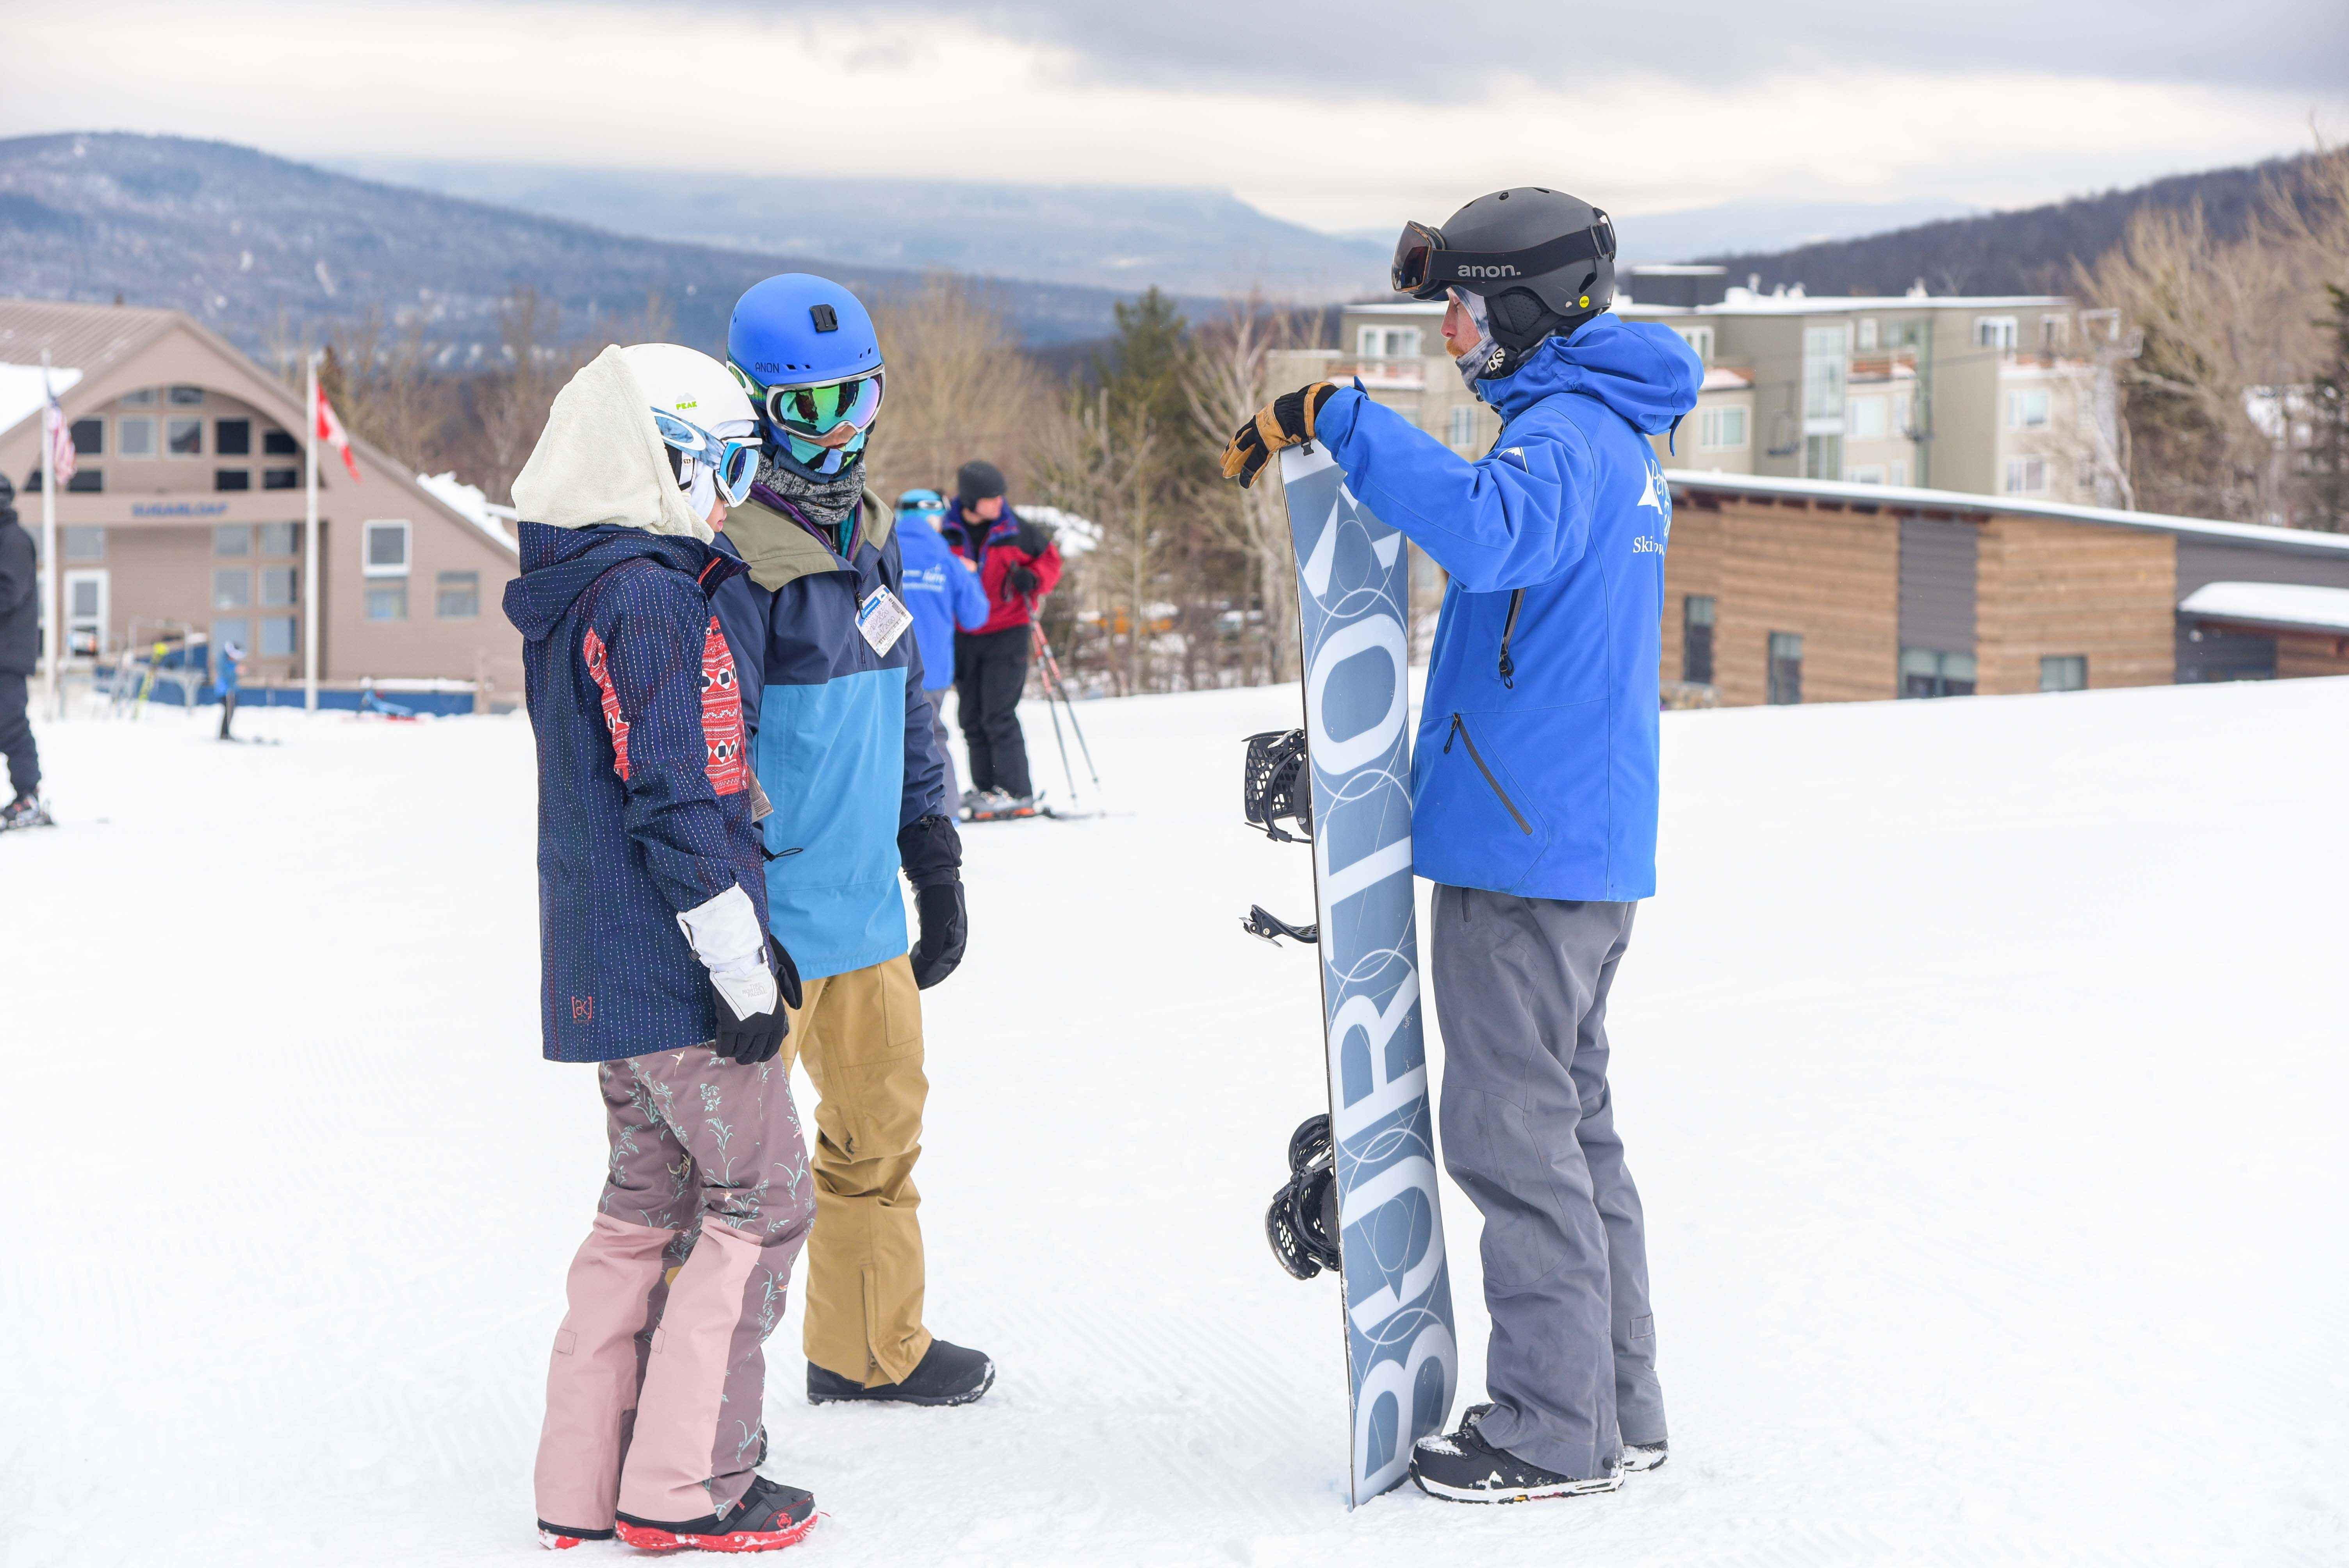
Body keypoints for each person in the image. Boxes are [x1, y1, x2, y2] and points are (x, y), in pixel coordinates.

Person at [1221, 187, 1702, 1504]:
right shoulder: (1605, 425)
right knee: (1570, 1130)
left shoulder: (1569, 438)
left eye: (1466, 305)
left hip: (1529, 858)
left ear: (1531, 308)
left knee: (1510, 1136)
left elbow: (1488, 530)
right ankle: (1614, 1403)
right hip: (1564, 846)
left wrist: (1343, 420)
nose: (1448, 330)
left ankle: (1553, 1428)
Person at [503, 340, 821, 1554]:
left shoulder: (581, 582)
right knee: (764, 1200)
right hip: (679, 977)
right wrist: (739, 968)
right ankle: (693, 1485)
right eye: (725, 462)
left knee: (646, 1204)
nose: (735, 492)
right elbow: (679, 797)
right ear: (664, 455)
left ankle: (582, 1480)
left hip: (612, 977)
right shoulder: (646, 592)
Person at [712, 273, 990, 1410]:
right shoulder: (733, 561)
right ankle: (691, 1408)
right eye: (810, 411)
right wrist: (733, 916)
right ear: (757, 412)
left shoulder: (876, 541)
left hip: (866, 918)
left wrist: (935, 850)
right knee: (722, 1180)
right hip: (771, 927)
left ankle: (867, 1348)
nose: (840, 437)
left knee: (879, 1138)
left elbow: (910, 712)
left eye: (858, 402)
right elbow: (707, 757)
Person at [939, 459, 1060, 812]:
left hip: (1008, 628)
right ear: (971, 500)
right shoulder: (947, 530)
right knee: (972, 717)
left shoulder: (1015, 528)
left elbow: (1051, 562)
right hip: (964, 633)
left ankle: (1017, 792)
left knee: (999, 713)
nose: (999, 503)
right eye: (991, 498)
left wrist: (1034, 579)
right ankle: (988, 791)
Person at [892, 487, 990, 811]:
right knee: (932, 740)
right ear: (934, 517)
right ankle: (944, 814)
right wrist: (970, 575)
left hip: (885, 668)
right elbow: (976, 617)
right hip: (931, 671)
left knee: (885, 742)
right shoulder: (947, 560)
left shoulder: (880, 551)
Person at [0, 473, 46, 829]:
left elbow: (8, 592)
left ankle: (29, 796)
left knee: (10, 724)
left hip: (7, 655)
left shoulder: (13, 540)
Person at [215, 639, 242, 741]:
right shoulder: (223, 660)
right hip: (225, 691)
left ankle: (226, 732)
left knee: (230, 711)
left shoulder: (231, 661)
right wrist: (235, 670)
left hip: (231, 691)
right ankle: (224, 734)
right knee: (228, 711)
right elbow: (226, 674)